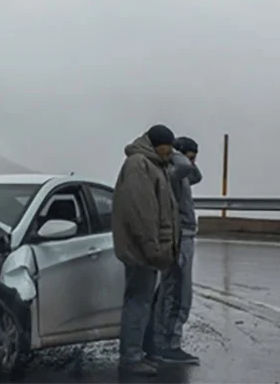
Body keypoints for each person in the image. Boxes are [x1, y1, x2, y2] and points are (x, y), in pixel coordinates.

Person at [111, 124, 180, 376]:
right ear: (156, 144)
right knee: (137, 303)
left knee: (143, 302)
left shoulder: (154, 165)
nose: (171, 151)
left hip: (147, 250)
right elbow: (141, 213)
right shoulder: (139, 165)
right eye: (167, 145)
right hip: (141, 251)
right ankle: (130, 357)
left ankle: (139, 353)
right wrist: (153, 248)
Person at [145, 136, 202, 365]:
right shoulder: (173, 170)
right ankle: (167, 344)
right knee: (176, 291)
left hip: (186, 233)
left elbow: (196, 176)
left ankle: (166, 342)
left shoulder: (182, 173)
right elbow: (186, 167)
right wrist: (179, 153)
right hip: (179, 234)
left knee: (176, 289)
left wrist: (189, 159)